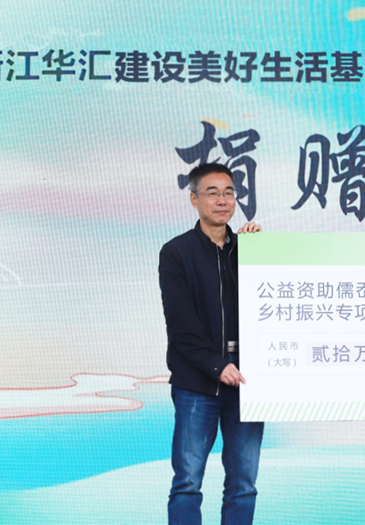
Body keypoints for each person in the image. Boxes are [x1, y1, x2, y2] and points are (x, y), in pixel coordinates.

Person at [159, 162, 265, 525]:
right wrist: (217, 365)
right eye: (212, 193)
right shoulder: (176, 252)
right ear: (194, 199)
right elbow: (181, 324)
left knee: (244, 484)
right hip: (197, 384)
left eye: (229, 193)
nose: (222, 200)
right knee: (187, 483)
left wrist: (261, 251)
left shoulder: (248, 248)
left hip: (248, 382)